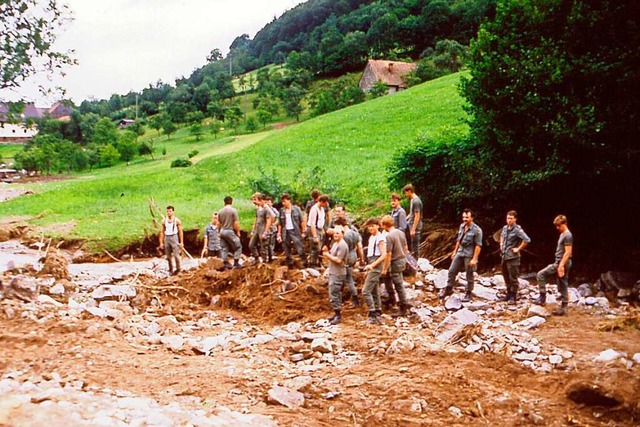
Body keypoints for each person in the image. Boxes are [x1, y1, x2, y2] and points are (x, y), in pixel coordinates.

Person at [440, 209, 483, 302]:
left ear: (472, 218)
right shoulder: (462, 226)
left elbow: (478, 245)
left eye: (467, 217)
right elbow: (459, 240)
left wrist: (475, 259)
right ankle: (449, 288)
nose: (464, 219)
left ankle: (468, 292)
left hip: (469, 253)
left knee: (469, 273)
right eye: (463, 217)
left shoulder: (477, 230)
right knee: (452, 270)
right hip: (460, 251)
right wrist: (454, 251)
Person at [535, 215, 573, 316]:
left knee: (541, 275)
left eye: (559, 226)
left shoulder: (567, 235)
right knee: (561, 283)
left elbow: (568, 252)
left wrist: (560, 266)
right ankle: (564, 305)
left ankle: (542, 298)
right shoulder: (563, 234)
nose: (557, 228)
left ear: (564, 224)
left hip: (562, 262)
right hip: (560, 261)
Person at [380, 215, 411, 317]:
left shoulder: (389, 236)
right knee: (389, 279)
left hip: (395, 261)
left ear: (385, 225)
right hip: (402, 259)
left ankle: (403, 307)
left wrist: (384, 268)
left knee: (398, 284)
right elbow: (406, 248)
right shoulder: (401, 232)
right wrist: (406, 260)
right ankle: (391, 299)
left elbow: (388, 254)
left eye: (382, 225)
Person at [499, 210, 531, 305]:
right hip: (504, 256)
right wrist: (501, 244)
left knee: (513, 277)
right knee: (505, 276)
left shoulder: (517, 229)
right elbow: (501, 236)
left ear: (515, 219)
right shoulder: (505, 228)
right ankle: (508, 293)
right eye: (508, 218)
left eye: (511, 218)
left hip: (513, 258)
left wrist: (518, 249)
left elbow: (526, 239)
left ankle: (513, 296)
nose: (509, 220)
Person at [333, 216, 364, 307]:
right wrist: (361, 259)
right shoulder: (354, 233)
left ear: (340, 225)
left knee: (348, 279)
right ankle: (341, 296)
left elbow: (342, 249)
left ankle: (355, 300)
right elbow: (360, 247)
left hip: (346, 257)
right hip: (353, 255)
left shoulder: (344, 236)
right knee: (346, 276)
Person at [322, 225, 349, 325]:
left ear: (342, 234)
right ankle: (336, 312)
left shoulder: (342, 245)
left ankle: (338, 315)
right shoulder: (335, 244)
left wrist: (327, 255)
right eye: (334, 233)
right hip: (333, 272)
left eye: (338, 233)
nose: (335, 235)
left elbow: (338, 260)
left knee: (334, 292)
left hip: (338, 273)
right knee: (334, 293)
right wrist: (327, 252)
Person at [362, 217, 387, 324]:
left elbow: (384, 254)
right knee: (374, 289)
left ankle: (372, 313)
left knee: (365, 291)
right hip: (371, 261)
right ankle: (378, 310)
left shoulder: (380, 238)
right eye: (369, 227)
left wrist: (372, 265)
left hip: (376, 264)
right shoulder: (371, 237)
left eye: (373, 226)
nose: (371, 228)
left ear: (377, 225)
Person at [277, 193, 307, 268]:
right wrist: (279, 234)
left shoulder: (296, 209)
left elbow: (302, 221)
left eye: (285, 201)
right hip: (285, 231)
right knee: (286, 247)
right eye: (282, 202)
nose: (283, 203)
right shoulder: (281, 211)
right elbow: (280, 223)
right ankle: (290, 263)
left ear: (289, 200)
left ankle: (304, 262)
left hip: (295, 231)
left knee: (299, 246)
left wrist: (303, 231)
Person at [218, 196, 243, 269]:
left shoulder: (220, 211)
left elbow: (218, 223)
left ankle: (225, 263)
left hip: (222, 230)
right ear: (231, 202)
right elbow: (235, 223)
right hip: (229, 230)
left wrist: (219, 232)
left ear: (224, 203)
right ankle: (236, 262)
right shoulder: (233, 211)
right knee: (238, 246)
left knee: (224, 247)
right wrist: (238, 231)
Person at [249, 192, 274, 263]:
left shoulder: (266, 209)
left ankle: (265, 261)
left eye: (256, 200)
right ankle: (256, 257)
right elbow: (256, 219)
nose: (254, 202)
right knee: (251, 245)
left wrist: (266, 231)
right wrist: (253, 229)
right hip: (257, 228)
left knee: (264, 246)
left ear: (261, 200)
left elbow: (269, 220)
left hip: (263, 228)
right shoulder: (257, 209)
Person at [158, 205, 183, 275]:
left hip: (174, 237)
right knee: (168, 256)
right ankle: (170, 269)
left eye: (170, 211)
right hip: (167, 237)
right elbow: (162, 232)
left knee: (176, 255)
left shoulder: (177, 220)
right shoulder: (164, 221)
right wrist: (161, 242)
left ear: (173, 212)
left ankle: (178, 269)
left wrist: (181, 242)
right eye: (167, 211)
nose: (169, 213)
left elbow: (180, 231)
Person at [306, 194, 330, 268]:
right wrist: (315, 236)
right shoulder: (314, 209)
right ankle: (312, 264)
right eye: (325, 203)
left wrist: (322, 229)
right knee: (315, 247)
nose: (327, 204)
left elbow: (321, 220)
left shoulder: (322, 209)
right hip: (313, 229)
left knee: (320, 247)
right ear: (322, 202)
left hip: (319, 229)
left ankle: (318, 262)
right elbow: (313, 223)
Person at [403, 184, 423, 259]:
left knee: (415, 245)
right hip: (410, 224)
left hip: (416, 227)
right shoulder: (412, 200)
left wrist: (413, 229)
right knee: (411, 244)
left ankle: (416, 261)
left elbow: (417, 216)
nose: (406, 195)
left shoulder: (416, 201)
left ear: (409, 191)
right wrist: (405, 219)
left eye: (406, 193)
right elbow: (411, 213)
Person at [265, 196, 279, 262]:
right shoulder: (265, 209)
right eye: (267, 202)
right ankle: (267, 255)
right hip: (266, 229)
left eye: (269, 202)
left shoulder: (274, 210)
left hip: (273, 229)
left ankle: (271, 254)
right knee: (266, 243)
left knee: (271, 242)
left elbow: (278, 219)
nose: (268, 203)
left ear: (272, 203)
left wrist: (274, 224)